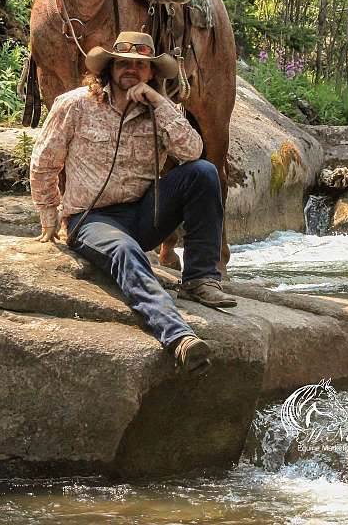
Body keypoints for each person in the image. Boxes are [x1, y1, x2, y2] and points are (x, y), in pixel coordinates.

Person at [29, 31, 236, 375]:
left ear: (151, 73)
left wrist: (159, 104)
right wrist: (49, 216)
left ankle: (201, 279)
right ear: (109, 68)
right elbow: (44, 161)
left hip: (143, 214)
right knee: (125, 251)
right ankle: (179, 336)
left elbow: (192, 151)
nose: (130, 71)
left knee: (203, 173)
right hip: (91, 219)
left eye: (140, 66)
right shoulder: (75, 104)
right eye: (123, 63)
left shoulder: (160, 109)